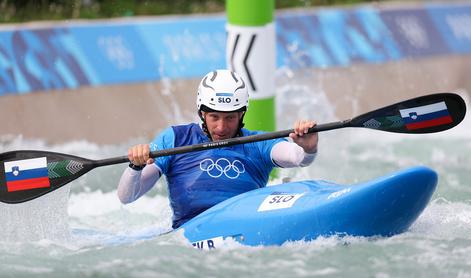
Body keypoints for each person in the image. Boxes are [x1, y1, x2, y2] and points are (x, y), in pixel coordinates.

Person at [117, 69, 318, 229]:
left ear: (241, 115)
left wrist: (308, 148)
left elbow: (296, 156)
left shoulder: (258, 142)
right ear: (202, 113)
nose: (221, 127)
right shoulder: (176, 139)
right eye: (214, 117)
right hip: (189, 233)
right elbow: (127, 197)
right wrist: (135, 167)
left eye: (230, 118)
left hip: (246, 228)